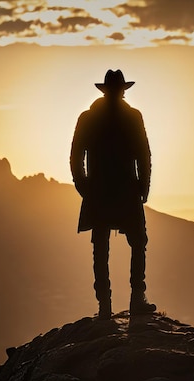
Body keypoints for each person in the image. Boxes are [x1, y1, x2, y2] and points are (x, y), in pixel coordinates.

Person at [70, 69, 156, 320]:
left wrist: (83, 185)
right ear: (122, 90)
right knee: (137, 241)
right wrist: (143, 185)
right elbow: (144, 154)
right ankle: (135, 299)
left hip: (99, 190)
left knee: (101, 246)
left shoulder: (88, 118)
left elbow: (76, 155)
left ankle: (105, 306)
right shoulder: (132, 117)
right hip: (126, 188)